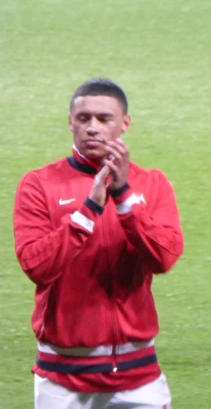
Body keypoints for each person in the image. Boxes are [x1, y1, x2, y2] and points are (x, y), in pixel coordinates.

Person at [13, 78, 184, 409]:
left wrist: (122, 198)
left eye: (104, 119)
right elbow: (37, 265)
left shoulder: (152, 183)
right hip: (62, 379)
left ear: (125, 123)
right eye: (83, 118)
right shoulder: (38, 185)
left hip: (138, 378)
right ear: (70, 122)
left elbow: (163, 257)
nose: (92, 128)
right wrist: (88, 210)